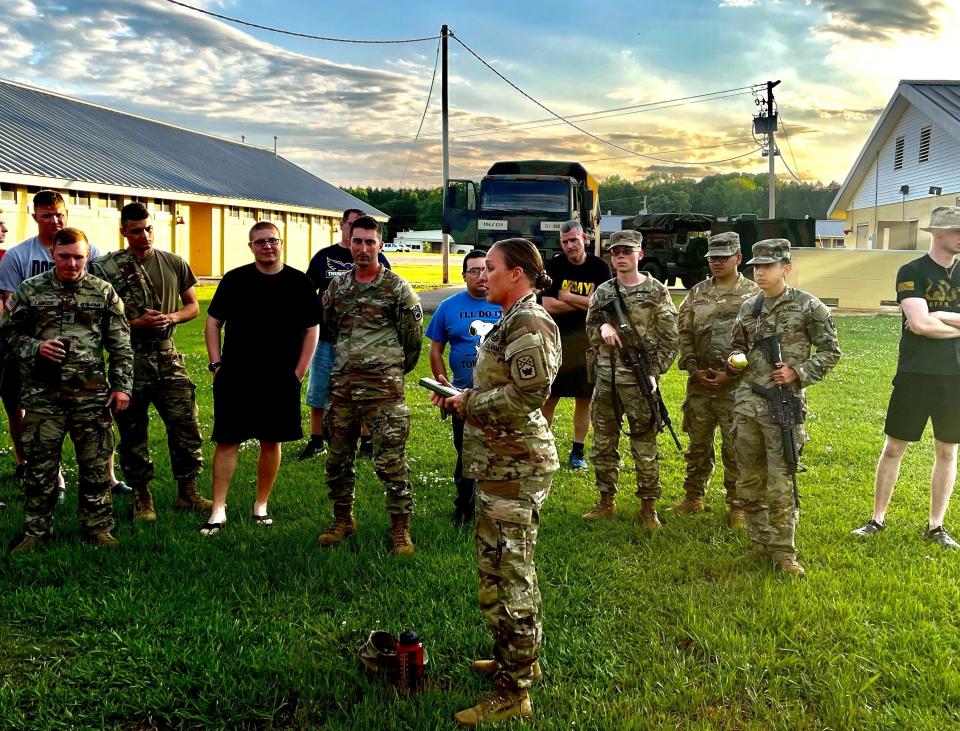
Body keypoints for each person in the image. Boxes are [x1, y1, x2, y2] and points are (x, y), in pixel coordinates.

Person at [431, 238, 559, 727]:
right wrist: (464, 394)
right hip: (499, 463)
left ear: (518, 273)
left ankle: (515, 691)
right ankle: (516, 659)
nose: (484, 275)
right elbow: (504, 382)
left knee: (512, 575)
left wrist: (469, 405)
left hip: (516, 466)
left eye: (493, 268)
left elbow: (530, 392)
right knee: (498, 568)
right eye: (480, 268)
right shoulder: (512, 316)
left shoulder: (528, 320)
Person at [3, 228, 133, 552]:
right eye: (65, 256)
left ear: (87, 256)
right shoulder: (29, 290)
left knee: (95, 463)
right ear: (52, 254)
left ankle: (98, 527)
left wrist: (122, 388)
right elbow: (7, 335)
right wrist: (36, 347)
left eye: (78, 257)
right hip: (42, 395)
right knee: (40, 467)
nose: (72, 264)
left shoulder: (103, 292)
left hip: (90, 396)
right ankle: (35, 530)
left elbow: (120, 345)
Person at [90, 202, 211, 522]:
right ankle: (142, 497)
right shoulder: (107, 269)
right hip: (129, 358)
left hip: (168, 355)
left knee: (185, 424)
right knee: (133, 431)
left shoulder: (173, 262)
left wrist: (172, 316)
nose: (144, 236)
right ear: (123, 232)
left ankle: (188, 491)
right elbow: (97, 319)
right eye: (136, 231)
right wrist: (135, 324)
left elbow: (193, 307)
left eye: (148, 229)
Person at [727, 239, 841, 576]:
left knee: (781, 483)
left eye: (768, 266)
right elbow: (736, 347)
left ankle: (784, 552)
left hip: (784, 406)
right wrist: (735, 360)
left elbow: (831, 351)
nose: (760, 273)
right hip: (748, 404)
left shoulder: (809, 307)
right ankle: (759, 542)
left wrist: (798, 371)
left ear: (786, 268)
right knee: (747, 481)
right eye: (756, 267)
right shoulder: (749, 307)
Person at [201, 222, 319, 535]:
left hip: (281, 377)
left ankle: (261, 505)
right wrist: (216, 365)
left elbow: (311, 330)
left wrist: (298, 372)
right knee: (227, 440)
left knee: (271, 440)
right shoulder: (235, 280)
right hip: (236, 375)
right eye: (260, 242)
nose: (267, 246)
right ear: (251, 246)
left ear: (281, 243)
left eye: (272, 240)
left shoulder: (299, 283)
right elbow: (213, 323)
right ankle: (218, 508)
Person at [852, 207, 960, 548]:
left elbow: (931, 321)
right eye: (956, 229)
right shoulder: (911, 271)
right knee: (894, 447)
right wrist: (942, 319)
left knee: (948, 451)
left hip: (955, 376)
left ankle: (935, 526)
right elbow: (919, 324)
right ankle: (877, 518)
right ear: (938, 233)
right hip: (915, 373)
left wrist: (939, 313)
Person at [318, 215, 422, 554]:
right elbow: (330, 330)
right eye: (357, 241)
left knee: (390, 463)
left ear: (380, 244)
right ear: (349, 242)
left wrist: (388, 368)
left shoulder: (397, 288)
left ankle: (400, 530)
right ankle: (343, 520)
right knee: (337, 460)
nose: (362, 248)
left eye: (369, 242)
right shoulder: (337, 288)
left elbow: (411, 341)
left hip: (383, 392)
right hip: (343, 390)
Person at [582, 230, 679, 529]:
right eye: (615, 252)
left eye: (627, 251)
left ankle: (648, 507)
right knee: (603, 443)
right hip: (606, 379)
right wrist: (602, 330)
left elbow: (671, 337)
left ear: (639, 254)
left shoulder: (656, 291)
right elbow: (590, 326)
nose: (620, 257)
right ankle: (605, 501)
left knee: (644, 444)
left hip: (639, 382)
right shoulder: (603, 292)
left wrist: (654, 372)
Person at [673, 232, 759, 524]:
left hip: (735, 386)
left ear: (738, 258)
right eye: (713, 258)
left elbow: (756, 343)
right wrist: (693, 366)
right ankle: (693, 497)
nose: (717, 262)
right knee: (697, 444)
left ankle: (737, 505)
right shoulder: (697, 293)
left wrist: (729, 373)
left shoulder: (753, 294)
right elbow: (683, 332)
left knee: (735, 446)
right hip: (699, 383)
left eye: (723, 257)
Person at [299, 208, 390, 461]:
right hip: (327, 338)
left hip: (364, 341)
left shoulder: (378, 258)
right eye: (352, 225)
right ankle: (317, 440)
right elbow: (307, 295)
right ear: (343, 226)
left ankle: (367, 441)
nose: (361, 243)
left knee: (364, 391)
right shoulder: (323, 257)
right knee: (319, 391)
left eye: (367, 236)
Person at [426, 250, 502, 526]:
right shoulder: (448, 307)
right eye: (474, 271)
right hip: (462, 397)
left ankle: (495, 508)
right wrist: (443, 384)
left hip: (498, 396)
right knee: (466, 453)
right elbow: (435, 349)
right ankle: (465, 507)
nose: (481, 276)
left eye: (486, 269)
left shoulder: (505, 304)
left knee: (499, 452)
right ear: (463, 275)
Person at [540, 220, 611, 469]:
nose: (570, 245)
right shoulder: (555, 266)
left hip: (587, 345)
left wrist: (568, 296)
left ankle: (577, 452)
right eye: (565, 241)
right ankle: (542, 448)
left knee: (585, 400)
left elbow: (601, 305)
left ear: (585, 240)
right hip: (557, 343)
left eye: (574, 240)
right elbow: (547, 305)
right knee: (549, 397)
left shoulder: (600, 268)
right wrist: (586, 301)